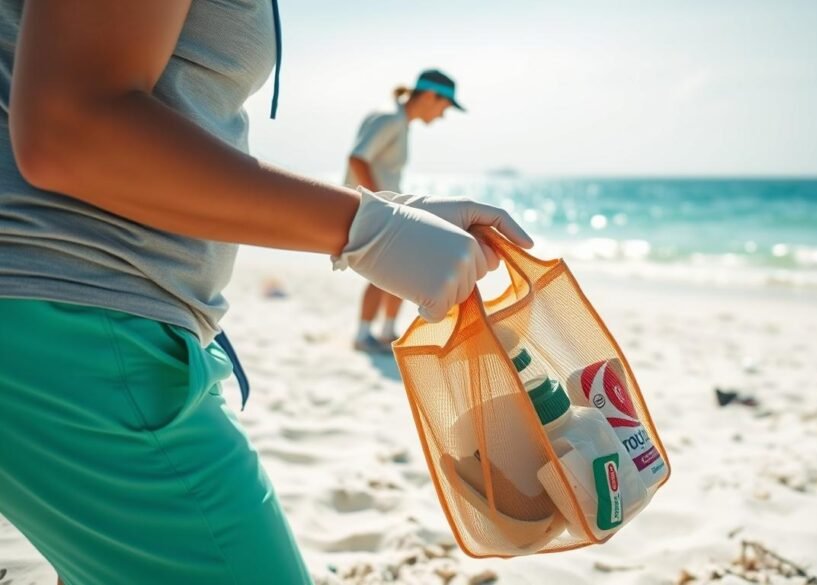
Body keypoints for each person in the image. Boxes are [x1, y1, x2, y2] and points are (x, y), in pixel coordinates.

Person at [0, 2, 531, 584]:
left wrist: (381, 218)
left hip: (94, 324)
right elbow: (70, 125)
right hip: (75, 327)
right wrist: (364, 225)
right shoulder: (388, 119)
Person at [346, 69, 465, 353]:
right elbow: (357, 159)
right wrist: (380, 205)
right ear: (429, 96)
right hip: (373, 208)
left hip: (384, 207)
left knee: (399, 269)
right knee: (386, 270)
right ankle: (363, 336)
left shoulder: (399, 120)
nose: (442, 115)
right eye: (444, 106)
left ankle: (386, 332)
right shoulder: (390, 117)